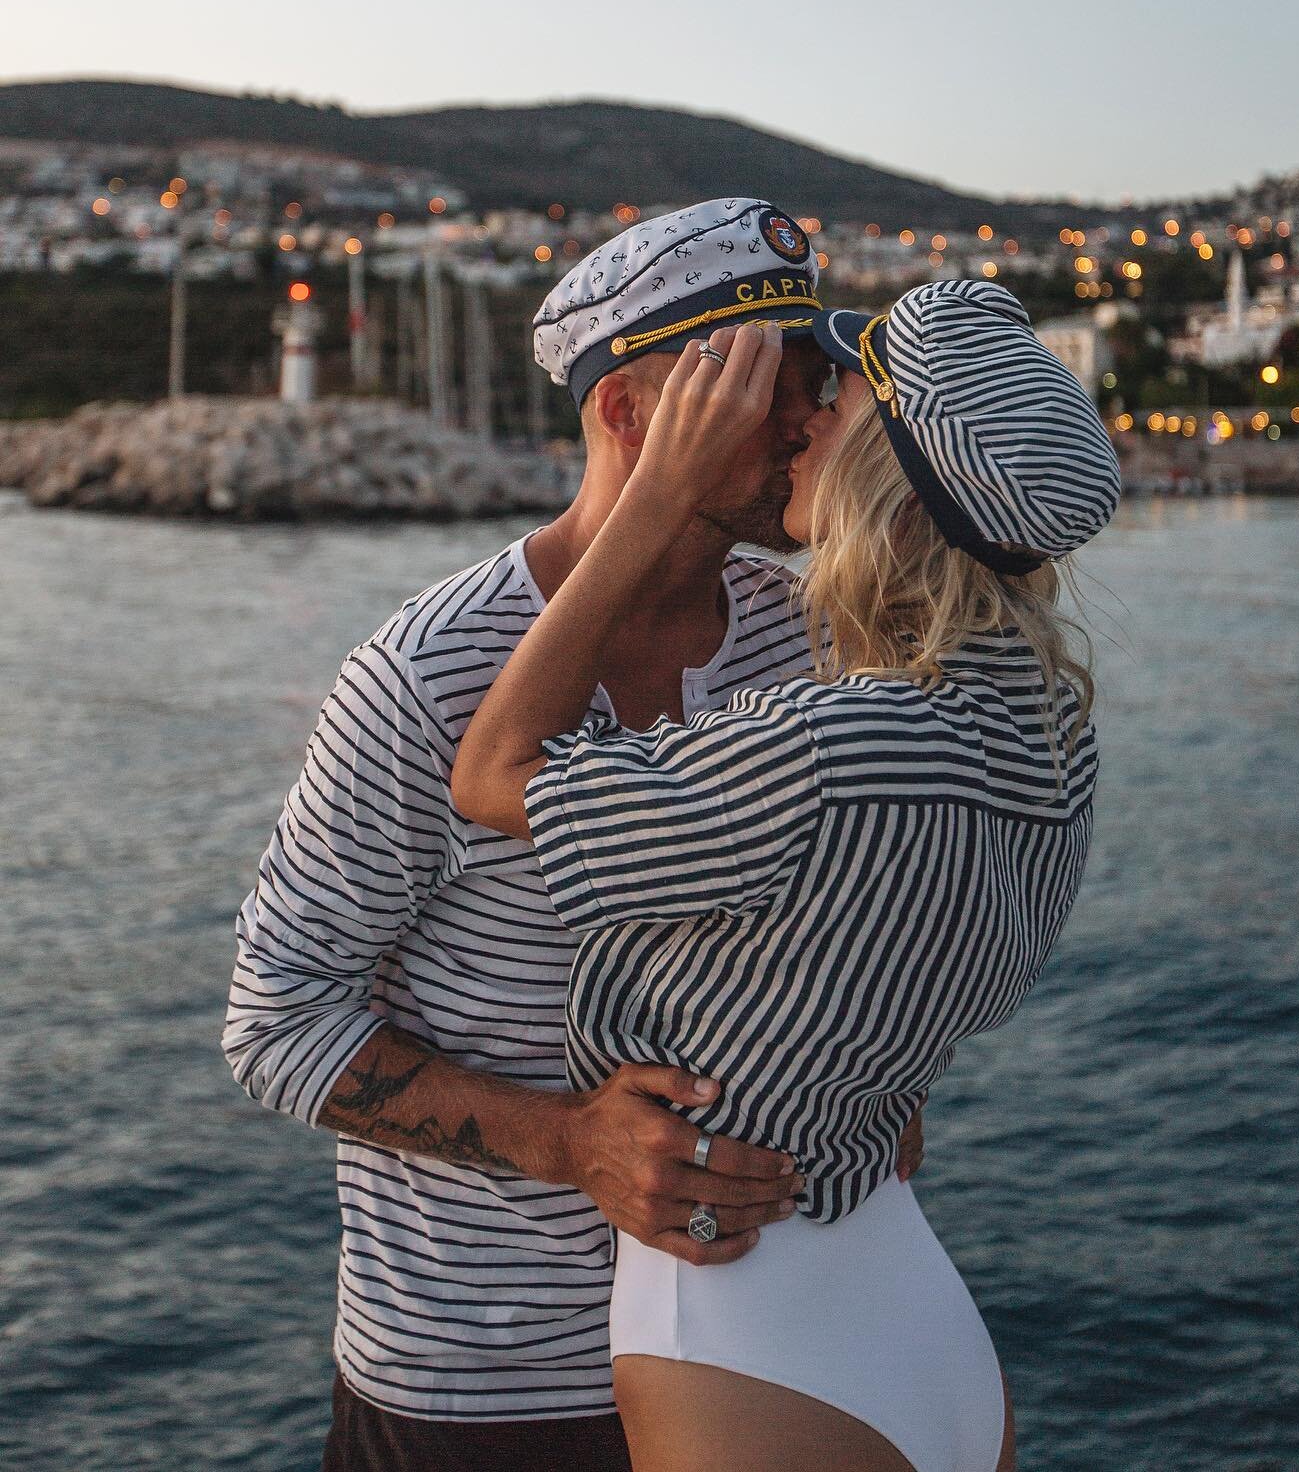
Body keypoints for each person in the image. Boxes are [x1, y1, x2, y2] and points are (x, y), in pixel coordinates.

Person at [223, 197, 923, 1471]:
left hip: (760, 1343)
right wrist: (575, 1147)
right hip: (487, 1384)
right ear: (629, 415)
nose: (814, 418)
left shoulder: (815, 636)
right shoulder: (428, 678)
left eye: (823, 378)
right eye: (772, 382)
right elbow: (275, 1021)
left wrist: (884, 1086)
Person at [449, 279, 1122, 1472]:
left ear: (891, 472)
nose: (801, 417)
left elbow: (496, 772)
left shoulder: (829, 746)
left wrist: (651, 502)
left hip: (742, 1319)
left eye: (842, 395)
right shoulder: (1053, 730)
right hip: (908, 1300)